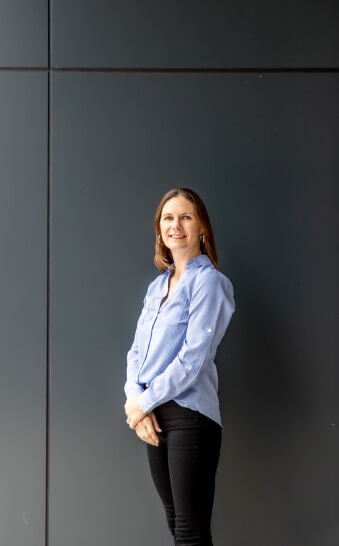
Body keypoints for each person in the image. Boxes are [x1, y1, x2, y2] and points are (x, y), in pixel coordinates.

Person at [124, 187, 235, 546]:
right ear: (160, 230)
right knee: (176, 524)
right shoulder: (157, 287)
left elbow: (194, 358)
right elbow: (136, 353)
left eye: (186, 217)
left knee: (190, 531)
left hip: (190, 416)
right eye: (168, 218)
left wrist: (145, 402)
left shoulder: (210, 282)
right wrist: (136, 404)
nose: (176, 225)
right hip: (152, 415)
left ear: (201, 227)